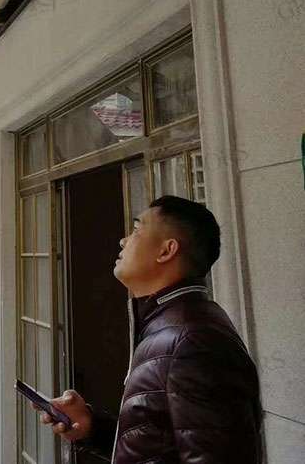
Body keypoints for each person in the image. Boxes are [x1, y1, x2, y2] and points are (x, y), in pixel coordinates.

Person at [36, 195, 263, 463]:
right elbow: (160, 444)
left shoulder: (194, 341)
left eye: (136, 230)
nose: (123, 241)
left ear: (166, 251)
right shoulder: (169, 325)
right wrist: (92, 427)